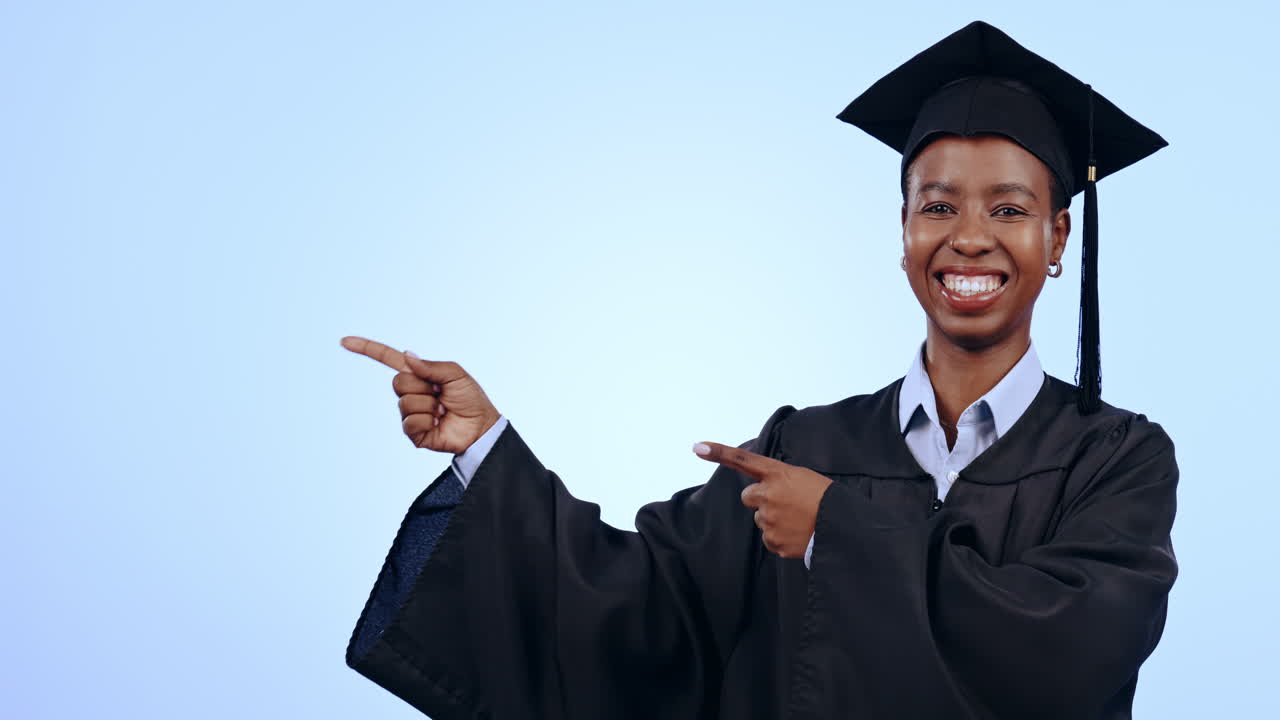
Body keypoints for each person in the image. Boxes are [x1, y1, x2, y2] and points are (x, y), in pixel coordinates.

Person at [340, 20, 1178, 719]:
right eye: (938, 206)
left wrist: (836, 534)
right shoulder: (803, 445)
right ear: (903, 230)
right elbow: (641, 611)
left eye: (1009, 208)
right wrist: (486, 449)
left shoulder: (1116, 461)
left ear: (1056, 238)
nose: (969, 237)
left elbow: (1067, 653)